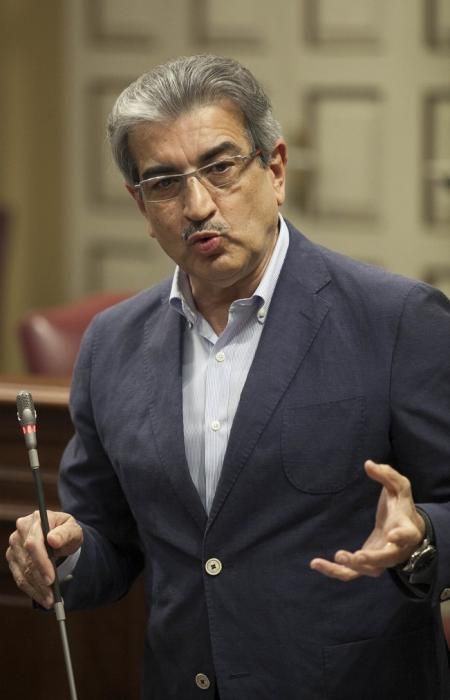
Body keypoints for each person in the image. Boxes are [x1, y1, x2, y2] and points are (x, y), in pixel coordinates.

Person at [6, 55, 450, 700]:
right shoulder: (111, 344)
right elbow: (105, 539)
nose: (197, 205)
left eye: (220, 168)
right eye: (164, 182)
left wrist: (422, 538)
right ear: (140, 201)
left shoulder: (397, 320)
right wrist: (61, 550)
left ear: (274, 169)